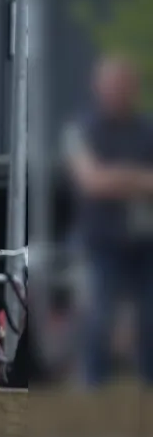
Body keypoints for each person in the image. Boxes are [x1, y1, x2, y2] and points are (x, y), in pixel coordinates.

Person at [63, 54, 153, 387]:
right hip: (100, 241)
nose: (117, 91)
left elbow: (104, 179)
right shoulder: (82, 130)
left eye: (123, 85)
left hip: (146, 241)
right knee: (98, 319)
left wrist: (115, 177)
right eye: (111, 84)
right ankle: (93, 392)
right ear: (98, 87)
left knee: (150, 320)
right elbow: (91, 181)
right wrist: (138, 178)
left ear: (134, 88)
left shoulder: (148, 130)